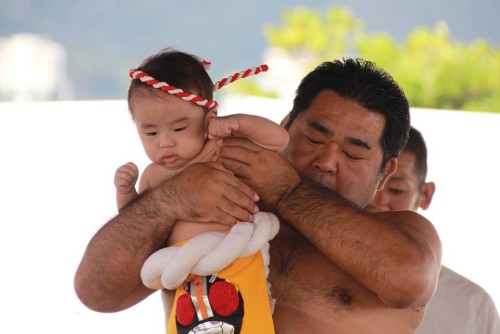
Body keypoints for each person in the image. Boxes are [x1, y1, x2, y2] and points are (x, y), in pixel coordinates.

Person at [75, 58, 442, 333]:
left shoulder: (406, 232)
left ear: (386, 172)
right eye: (314, 138)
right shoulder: (214, 204)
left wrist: (288, 190)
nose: (327, 161)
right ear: (284, 128)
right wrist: (169, 199)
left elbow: (406, 278)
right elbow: (97, 292)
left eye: (353, 152)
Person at [115, 48, 289, 333]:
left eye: (180, 128)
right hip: (183, 277)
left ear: (208, 117)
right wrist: (125, 192)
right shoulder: (152, 176)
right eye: (151, 133)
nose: (165, 143)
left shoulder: (222, 149)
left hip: (236, 262)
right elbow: (134, 223)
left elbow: (279, 140)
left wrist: (239, 123)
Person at [370, 126, 500, 334]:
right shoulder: (308, 280)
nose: (378, 202)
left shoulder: (472, 306)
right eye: (370, 186)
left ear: (426, 195)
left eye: (396, 190)